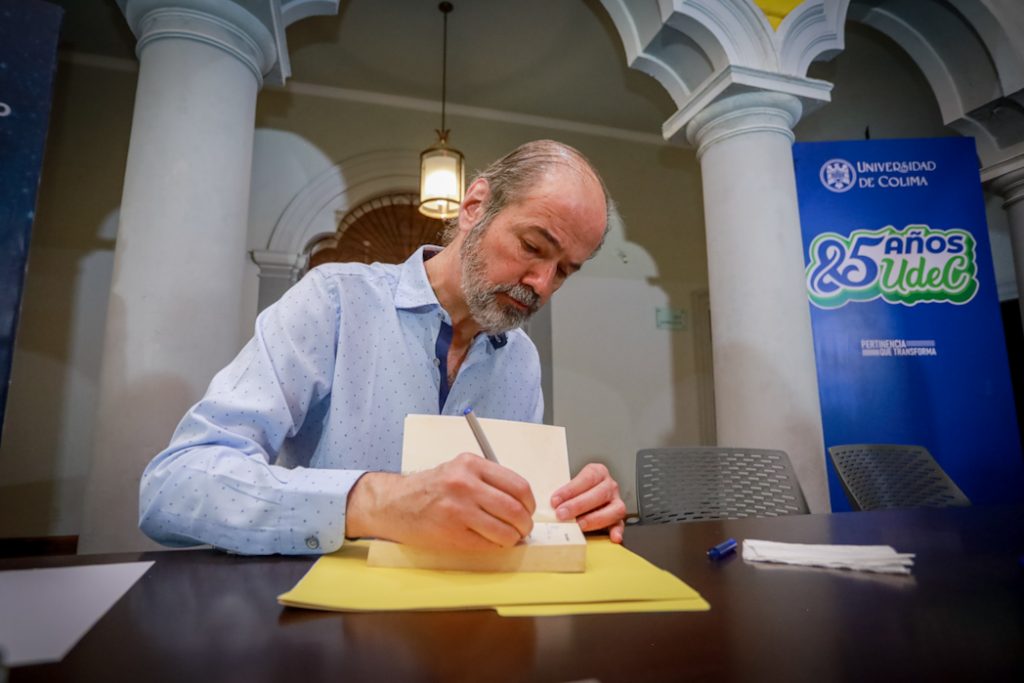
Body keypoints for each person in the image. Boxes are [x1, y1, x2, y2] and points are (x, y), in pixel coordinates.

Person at [139, 140, 627, 555]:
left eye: (564, 271)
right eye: (533, 247)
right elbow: (174, 486)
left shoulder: (521, 360)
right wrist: (374, 503)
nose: (541, 283)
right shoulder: (333, 302)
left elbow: (510, 519)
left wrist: (568, 514)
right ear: (475, 206)